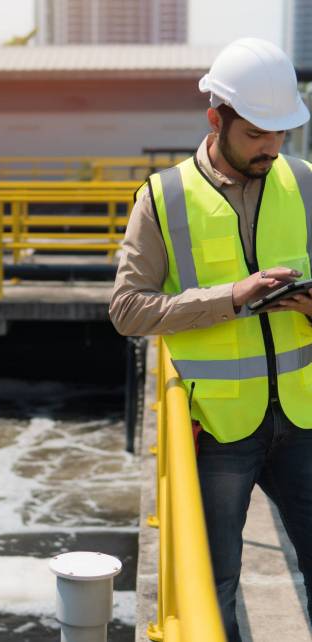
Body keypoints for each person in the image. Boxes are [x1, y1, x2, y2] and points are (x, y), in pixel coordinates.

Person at [109, 37, 312, 642]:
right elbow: (127, 309)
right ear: (215, 119)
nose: (271, 149)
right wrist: (232, 297)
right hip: (220, 430)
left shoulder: (304, 183)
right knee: (214, 582)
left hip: (303, 418)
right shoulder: (163, 198)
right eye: (255, 134)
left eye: (280, 135)